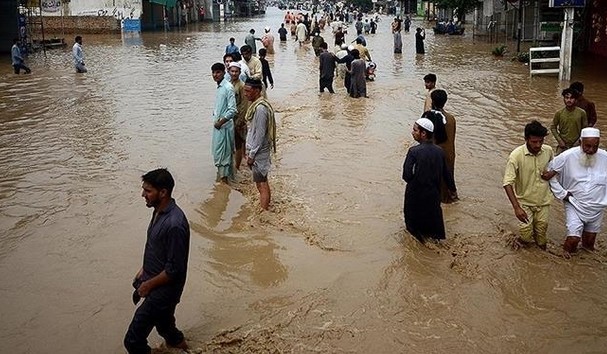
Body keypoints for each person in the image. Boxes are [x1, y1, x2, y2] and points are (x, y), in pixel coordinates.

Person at [124, 168, 190, 354]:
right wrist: (144, 269)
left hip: (164, 291)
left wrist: (148, 285)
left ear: (163, 193)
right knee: (166, 328)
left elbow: (174, 269)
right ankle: (186, 348)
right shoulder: (158, 212)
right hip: (155, 282)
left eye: (148, 191)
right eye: (143, 189)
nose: (142, 194)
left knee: (132, 341)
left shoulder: (175, 224)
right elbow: (159, 249)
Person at [544, 127, 607, 257]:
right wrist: (562, 193)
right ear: (580, 143)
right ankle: (564, 265)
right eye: (587, 146)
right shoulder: (567, 156)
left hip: (597, 207)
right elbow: (548, 174)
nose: (591, 150)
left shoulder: (604, 157)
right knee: (573, 240)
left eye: (594, 147)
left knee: (589, 245)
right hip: (574, 204)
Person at [403, 118, 457, 242]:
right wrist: (452, 190)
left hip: (415, 197)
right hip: (433, 196)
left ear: (423, 134)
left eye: (415, 130)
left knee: (414, 234)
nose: (412, 132)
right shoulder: (440, 152)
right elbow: (447, 175)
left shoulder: (413, 152)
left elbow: (406, 175)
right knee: (433, 233)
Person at [503, 121, 554, 250]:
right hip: (524, 202)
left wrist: (551, 173)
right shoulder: (516, 156)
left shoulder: (548, 151)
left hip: (543, 201)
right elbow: (507, 183)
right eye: (534, 142)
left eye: (541, 141)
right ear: (526, 139)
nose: (538, 145)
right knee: (526, 234)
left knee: (541, 235)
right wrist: (516, 208)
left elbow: (555, 169)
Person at [243, 78, 276, 210]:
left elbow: (260, 134)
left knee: (261, 185)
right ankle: (266, 207)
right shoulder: (257, 106)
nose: (245, 94)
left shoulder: (260, 109)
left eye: (248, 91)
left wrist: (251, 155)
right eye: (244, 91)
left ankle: (263, 213)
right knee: (263, 182)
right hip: (259, 151)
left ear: (257, 91)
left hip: (259, 153)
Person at [429, 89, 458, 203]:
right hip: (449, 153)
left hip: (434, 155)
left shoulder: (430, 117)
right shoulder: (451, 118)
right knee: (448, 179)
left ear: (432, 101)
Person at [211, 62, 237, 183]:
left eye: (218, 72)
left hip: (224, 127)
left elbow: (233, 110)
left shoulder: (228, 87)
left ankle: (225, 185)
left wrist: (220, 122)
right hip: (218, 127)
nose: (215, 75)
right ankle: (224, 181)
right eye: (213, 72)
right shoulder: (220, 87)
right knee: (218, 154)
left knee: (224, 156)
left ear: (223, 72)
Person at [550, 88, 587, 155]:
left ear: (575, 100)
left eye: (571, 98)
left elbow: (585, 130)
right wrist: (560, 141)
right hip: (563, 145)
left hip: (577, 145)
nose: (569, 100)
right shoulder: (559, 113)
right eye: (566, 98)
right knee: (556, 163)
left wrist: (578, 141)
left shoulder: (582, 113)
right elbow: (553, 127)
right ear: (564, 99)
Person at [227, 62, 249, 171]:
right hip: (229, 120)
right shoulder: (228, 84)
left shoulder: (242, 86)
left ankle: (237, 167)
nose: (234, 73)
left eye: (236, 71)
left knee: (238, 144)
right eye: (232, 71)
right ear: (228, 72)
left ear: (240, 72)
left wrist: (240, 121)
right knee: (231, 144)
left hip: (238, 120)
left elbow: (244, 105)